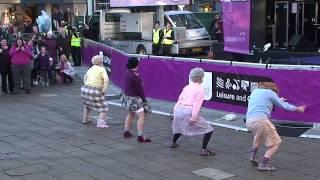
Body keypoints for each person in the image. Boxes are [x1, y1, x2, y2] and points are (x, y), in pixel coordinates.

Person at [246, 82, 306, 171]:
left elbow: (264, 101)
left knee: (257, 137)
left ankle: (253, 156)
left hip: (249, 121)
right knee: (275, 143)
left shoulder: (255, 91)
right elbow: (284, 106)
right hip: (261, 121)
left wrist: (278, 99)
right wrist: (298, 109)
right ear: (274, 89)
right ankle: (263, 164)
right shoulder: (270, 93)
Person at [170, 68, 215, 155]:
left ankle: (173, 142)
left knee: (179, 126)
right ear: (200, 78)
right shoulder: (200, 89)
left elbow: (179, 99)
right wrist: (193, 118)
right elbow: (196, 105)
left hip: (179, 109)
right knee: (209, 130)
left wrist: (174, 111)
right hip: (188, 111)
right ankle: (203, 150)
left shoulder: (187, 87)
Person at [120, 57, 151, 143]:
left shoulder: (127, 73)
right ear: (137, 64)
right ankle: (140, 136)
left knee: (131, 114)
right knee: (141, 117)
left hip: (127, 98)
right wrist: (144, 100)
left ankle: (126, 131)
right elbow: (140, 90)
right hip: (135, 100)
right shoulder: (136, 76)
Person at [81, 55, 109, 128]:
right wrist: (103, 91)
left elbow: (85, 78)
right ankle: (100, 123)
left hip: (85, 88)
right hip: (95, 89)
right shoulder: (102, 69)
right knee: (103, 107)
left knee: (87, 105)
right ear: (100, 62)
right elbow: (106, 80)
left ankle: (85, 119)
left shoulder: (90, 69)